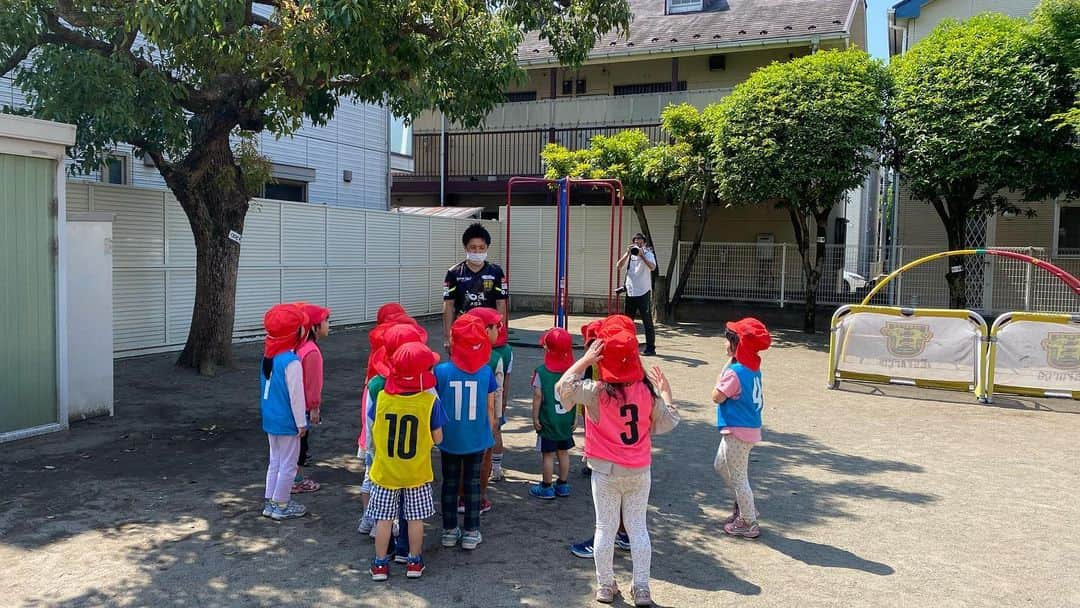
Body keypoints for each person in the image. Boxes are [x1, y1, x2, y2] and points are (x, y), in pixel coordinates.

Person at [556, 315, 679, 606]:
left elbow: (563, 389)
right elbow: (668, 421)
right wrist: (666, 392)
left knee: (605, 528)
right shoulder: (646, 390)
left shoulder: (596, 392)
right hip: (638, 469)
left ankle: (605, 585)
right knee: (638, 527)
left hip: (605, 471)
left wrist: (585, 361)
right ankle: (642, 587)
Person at [366, 342, 448, 581]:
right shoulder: (429, 402)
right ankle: (414, 561)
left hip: (385, 471)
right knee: (415, 519)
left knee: (383, 519)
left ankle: (380, 564)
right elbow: (438, 437)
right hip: (417, 471)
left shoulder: (382, 398)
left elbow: (372, 429)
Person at [435, 316, 499, 550]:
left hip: (449, 437)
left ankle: (449, 530)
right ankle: (472, 531)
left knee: (450, 483)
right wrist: (489, 429)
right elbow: (490, 406)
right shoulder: (486, 372)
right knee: (473, 484)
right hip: (476, 437)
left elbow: (436, 403)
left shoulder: (440, 371)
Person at [569, 320, 631, 558]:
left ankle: (607, 545)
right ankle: (625, 536)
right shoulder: (634, 377)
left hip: (611, 456)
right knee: (626, 500)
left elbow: (565, 387)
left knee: (609, 508)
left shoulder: (604, 378)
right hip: (631, 455)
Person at [712, 317, 771, 540]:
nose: (724, 344)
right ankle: (746, 505)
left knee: (738, 477)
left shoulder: (735, 372)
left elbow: (716, 396)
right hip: (744, 429)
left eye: (728, 340)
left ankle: (749, 521)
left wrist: (723, 371)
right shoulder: (750, 368)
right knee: (720, 465)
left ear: (738, 345)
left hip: (738, 431)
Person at [259, 304, 309, 521]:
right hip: (287, 419)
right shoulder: (291, 362)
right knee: (289, 464)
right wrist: (301, 423)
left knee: (275, 460)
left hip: (270, 417)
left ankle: (270, 501)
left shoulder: (268, 358)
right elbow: (296, 397)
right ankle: (281, 504)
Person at [464, 306, 512, 498]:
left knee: (462, 458)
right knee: (484, 456)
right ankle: (481, 495)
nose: (499, 328)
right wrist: (499, 414)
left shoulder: (457, 355)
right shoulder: (498, 356)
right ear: (484, 330)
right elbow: (501, 388)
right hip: (487, 413)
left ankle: (461, 497)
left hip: (464, 414)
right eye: (494, 326)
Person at [529, 328, 577, 499]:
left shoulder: (541, 371)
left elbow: (537, 396)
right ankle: (563, 484)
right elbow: (575, 395)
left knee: (548, 454)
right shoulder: (573, 372)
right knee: (564, 452)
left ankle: (547, 486)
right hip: (566, 419)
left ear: (547, 349)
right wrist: (576, 417)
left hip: (548, 420)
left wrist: (535, 417)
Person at [292, 303, 330, 495]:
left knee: (296, 443)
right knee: (301, 443)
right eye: (325, 321)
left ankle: (295, 477)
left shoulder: (300, 347)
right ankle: (296, 479)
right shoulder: (312, 352)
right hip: (305, 406)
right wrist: (314, 407)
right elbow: (312, 384)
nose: (328, 325)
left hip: (295, 404)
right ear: (315, 326)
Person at [617, 232, 657, 356]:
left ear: (644, 243)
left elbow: (652, 267)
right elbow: (619, 266)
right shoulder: (630, 254)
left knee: (647, 321)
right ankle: (627, 346)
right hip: (630, 291)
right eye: (636, 241)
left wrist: (642, 256)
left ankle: (650, 348)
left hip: (643, 291)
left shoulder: (648, 253)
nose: (638, 243)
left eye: (640, 241)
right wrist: (628, 253)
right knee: (628, 322)